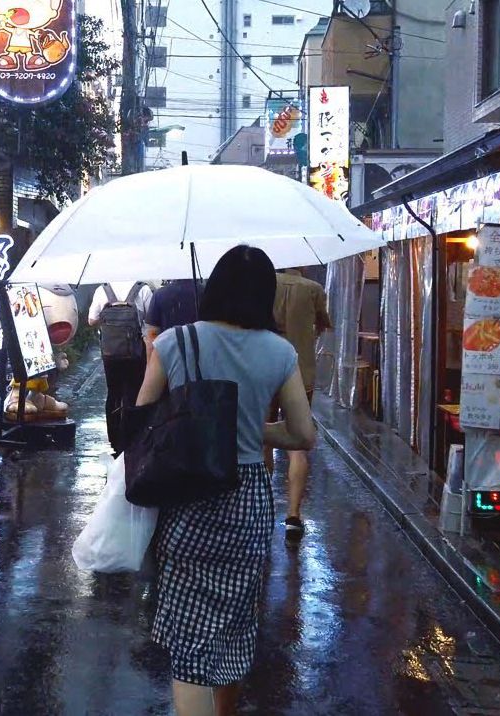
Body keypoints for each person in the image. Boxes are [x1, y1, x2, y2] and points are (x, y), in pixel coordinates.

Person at [136, 246, 316, 716]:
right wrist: (255, 429)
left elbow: (142, 419)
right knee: (236, 622)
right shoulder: (279, 352)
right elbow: (303, 434)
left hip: (187, 496)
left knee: (191, 643)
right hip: (248, 500)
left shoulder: (174, 343)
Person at [263, 268, 332, 541]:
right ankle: (293, 515)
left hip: (265, 370)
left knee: (263, 437)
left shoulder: (264, 285)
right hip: (301, 371)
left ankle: (264, 505)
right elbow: (324, 324)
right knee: (299, 442)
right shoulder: (313, 288)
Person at [89, 281, 153, 454]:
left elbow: (91, 320)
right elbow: (151, 320)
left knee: (113, 393)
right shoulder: (143, 289)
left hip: (110, 354)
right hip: (135, 353)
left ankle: (114, 440)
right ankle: (131, 438)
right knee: (134, 392)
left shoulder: (103, 290)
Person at [143, 278, 202, 355]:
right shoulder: (206, 292)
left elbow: (152, 334)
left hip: (169, 355)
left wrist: (150, 363)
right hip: (200, 353)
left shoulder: (160, 294)